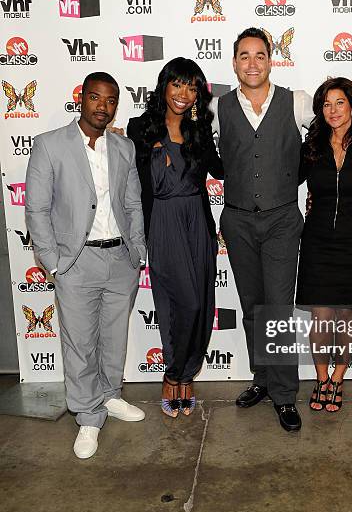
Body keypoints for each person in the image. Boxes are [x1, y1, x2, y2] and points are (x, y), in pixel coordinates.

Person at [25, 72, 147, 460]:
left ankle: (109, 396)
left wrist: (138, 252)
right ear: (82, 99)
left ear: (115, 106)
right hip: (75, 262)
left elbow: (132, 204)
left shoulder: (124, 147)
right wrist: (53, 261)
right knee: (79, 344)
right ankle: (88, 416)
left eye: (110, 100)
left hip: (120, 259)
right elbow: (37, 208)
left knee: (113, 338)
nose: (102, 106)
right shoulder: (49, 145)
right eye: (95, 98)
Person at [211, 27, 313, 432]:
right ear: (234, 62)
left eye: (259, 55)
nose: (252, 63)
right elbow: (186, 137)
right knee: (254, 306)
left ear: (272, 59)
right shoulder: (220, 107)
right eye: (243, 55)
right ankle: (262, 379)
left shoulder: (297, 102)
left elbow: (335, 127)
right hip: (237, 220)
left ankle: (285, 394)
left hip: (282, 220)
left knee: (278, 309)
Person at [127, 58, 223, 419]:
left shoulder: (200, 130)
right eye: (178, 85)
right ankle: (172, 374)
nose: (184, 94)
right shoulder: (140, 127)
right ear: (164, 86)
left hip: (197, 220)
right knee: (180, 303)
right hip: (163, 221)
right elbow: (129, 177)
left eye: (192, 87)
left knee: (202, 302)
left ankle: (186, 374)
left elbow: (222, 169)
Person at [297, 77, 352, 412]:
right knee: (321, 316)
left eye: (339, 102)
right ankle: (321, 378)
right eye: (326, 104)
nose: (333, 110)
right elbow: (286, 176)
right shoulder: (312, 144)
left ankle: (339, 377)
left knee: (347, 316)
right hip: (317, 240)